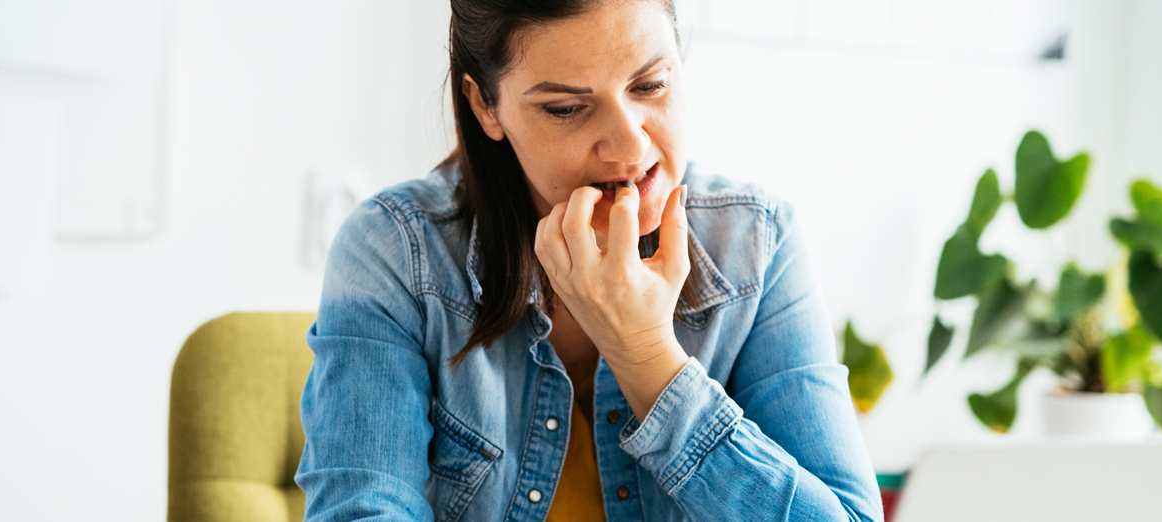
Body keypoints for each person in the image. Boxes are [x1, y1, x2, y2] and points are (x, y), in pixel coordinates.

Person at [295, 0, 882, 520]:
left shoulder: (756, 243)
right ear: (485, 106)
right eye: (567, 109)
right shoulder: (395, 251)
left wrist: (648, 359)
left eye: (650, 85)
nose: (630, 145)